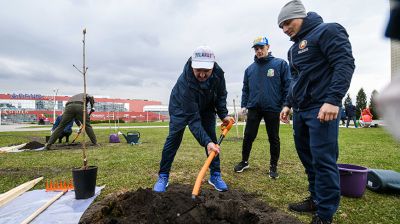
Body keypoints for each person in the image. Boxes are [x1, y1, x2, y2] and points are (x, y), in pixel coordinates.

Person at [278, 1, 355, 223]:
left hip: (322, 109)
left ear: (300, 16)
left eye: (287, 23)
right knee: (308, 159)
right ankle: (315, 199)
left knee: (323, 161)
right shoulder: (293, 49)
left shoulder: (328, 30)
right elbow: (296, 79)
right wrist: (288, 104)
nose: (284, 30)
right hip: (301, 111)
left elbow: (344, 63)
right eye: (281, 26)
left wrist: (333, 100)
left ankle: (325, 213)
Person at [153, 46, 233, 192]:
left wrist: (223, 114)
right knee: (174, 139)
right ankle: (163, 176)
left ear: (213, 66)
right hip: (181, 108)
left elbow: (221, 95)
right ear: (192, 66)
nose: (202, 74)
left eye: (206, 71)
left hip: (206, 106)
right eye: (198, 70)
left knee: (212, 139)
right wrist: (206, 142)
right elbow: (193, 120)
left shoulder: (219, 74)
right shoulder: (185, 83)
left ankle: (215, 175)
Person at [233, 36, 291, 179]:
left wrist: (286, 105)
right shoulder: (249, 69)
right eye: (256, 48)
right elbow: (245, 89)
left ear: (268, 47)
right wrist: (244, 105)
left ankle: (273, 167)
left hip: (273, 107)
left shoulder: (280, 64)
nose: (259, 51)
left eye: (261, 48)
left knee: (273, 138)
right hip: (254, 107)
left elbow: (287, 86)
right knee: (248, 136)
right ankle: (244, 161)